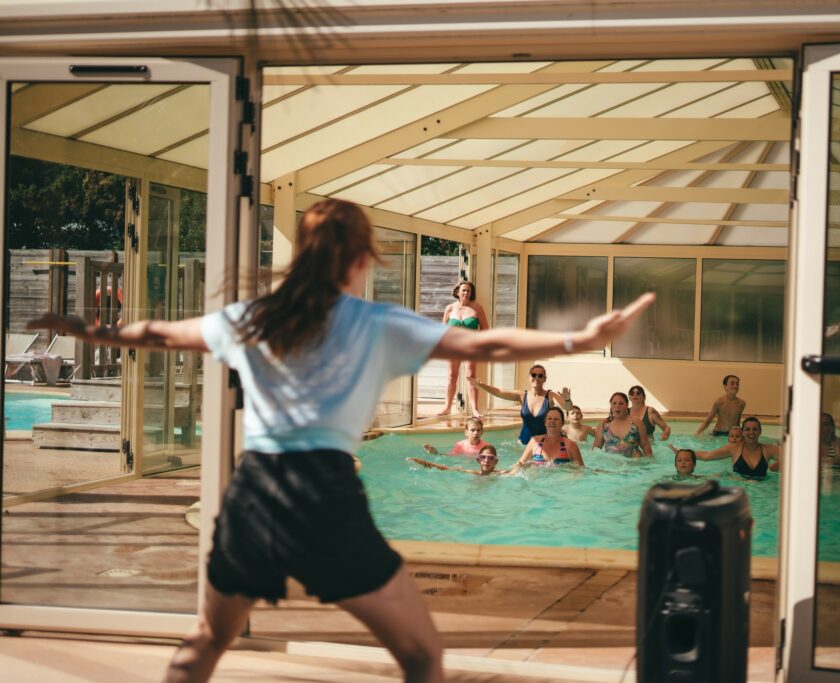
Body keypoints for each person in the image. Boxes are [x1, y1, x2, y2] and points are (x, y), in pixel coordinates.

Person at [28, 198, 655, 683]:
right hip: (324, 496)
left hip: (252, 497)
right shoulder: (376, 322)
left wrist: (84, 327)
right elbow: (485, 345)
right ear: (361, 260)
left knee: (206, 644)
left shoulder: (252, 318)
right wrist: (578, 338)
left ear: (301, 255)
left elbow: (160, 334)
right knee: (420, 654)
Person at [468, 365, 571, 445]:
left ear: (544, 379)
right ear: (529, 378)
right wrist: (481, 385)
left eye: (540, 376)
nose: (537, 378)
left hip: (545, 444)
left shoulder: (550, 396)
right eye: (533, 375)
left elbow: (567, 408)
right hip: (523, 444)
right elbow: (498, 392)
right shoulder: (521, 395)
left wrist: (567, 400)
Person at [437, 281, 489, 417]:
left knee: (471, 377)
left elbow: (485, 329)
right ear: (458, 292)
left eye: (469, 291)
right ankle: (447, 407)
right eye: (464, 290)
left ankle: (474, 410)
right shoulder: (450, 308)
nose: (466, 293)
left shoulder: (477, 308)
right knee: (451, 376)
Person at [690, 416, 780, 479]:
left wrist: (775, 466)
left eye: (755, 429)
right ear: (743, 432)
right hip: (739, 487)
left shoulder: (768, 450)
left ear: (760, 432)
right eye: (747, 429)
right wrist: (683, 452)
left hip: (761, 492)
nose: (751, 432)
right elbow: (706, 455)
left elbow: (791, 457)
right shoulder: (734, 449)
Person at [511, 406, 585, 470]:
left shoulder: (571, 445)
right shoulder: (535, 441)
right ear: (545, 422)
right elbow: (520, 464)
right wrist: (506, 473)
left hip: (562, 484)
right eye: (549, 418)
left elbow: (581, 470)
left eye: (556, 419)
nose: (552, 421)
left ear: (562, 423)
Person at [594, 391, 652, 458]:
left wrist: (651, 465)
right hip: (611, 466)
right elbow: (596, 450)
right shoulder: (604, 425)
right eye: (614, 403)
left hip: (635, 466)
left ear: (626, 405)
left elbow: (645, 446)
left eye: (621, 403)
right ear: (611, 405)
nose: (617, 406)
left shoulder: (636, 422)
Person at [408, 444, 505, 476]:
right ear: (478, 460)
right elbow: (445, 468)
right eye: (483, 457)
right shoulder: (472, 473)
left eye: (491, 458)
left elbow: (516, 470)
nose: (486, 460)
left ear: (496, 461)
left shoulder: (500, 474)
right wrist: (423, 462)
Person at [422, 416, 491, 456]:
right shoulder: (461, 445)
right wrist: (436, 453)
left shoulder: (486, 447)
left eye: (478, 430)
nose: (476, 433)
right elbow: (449, 456)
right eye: (472, 430)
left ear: (482, 432)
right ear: (466, 432)